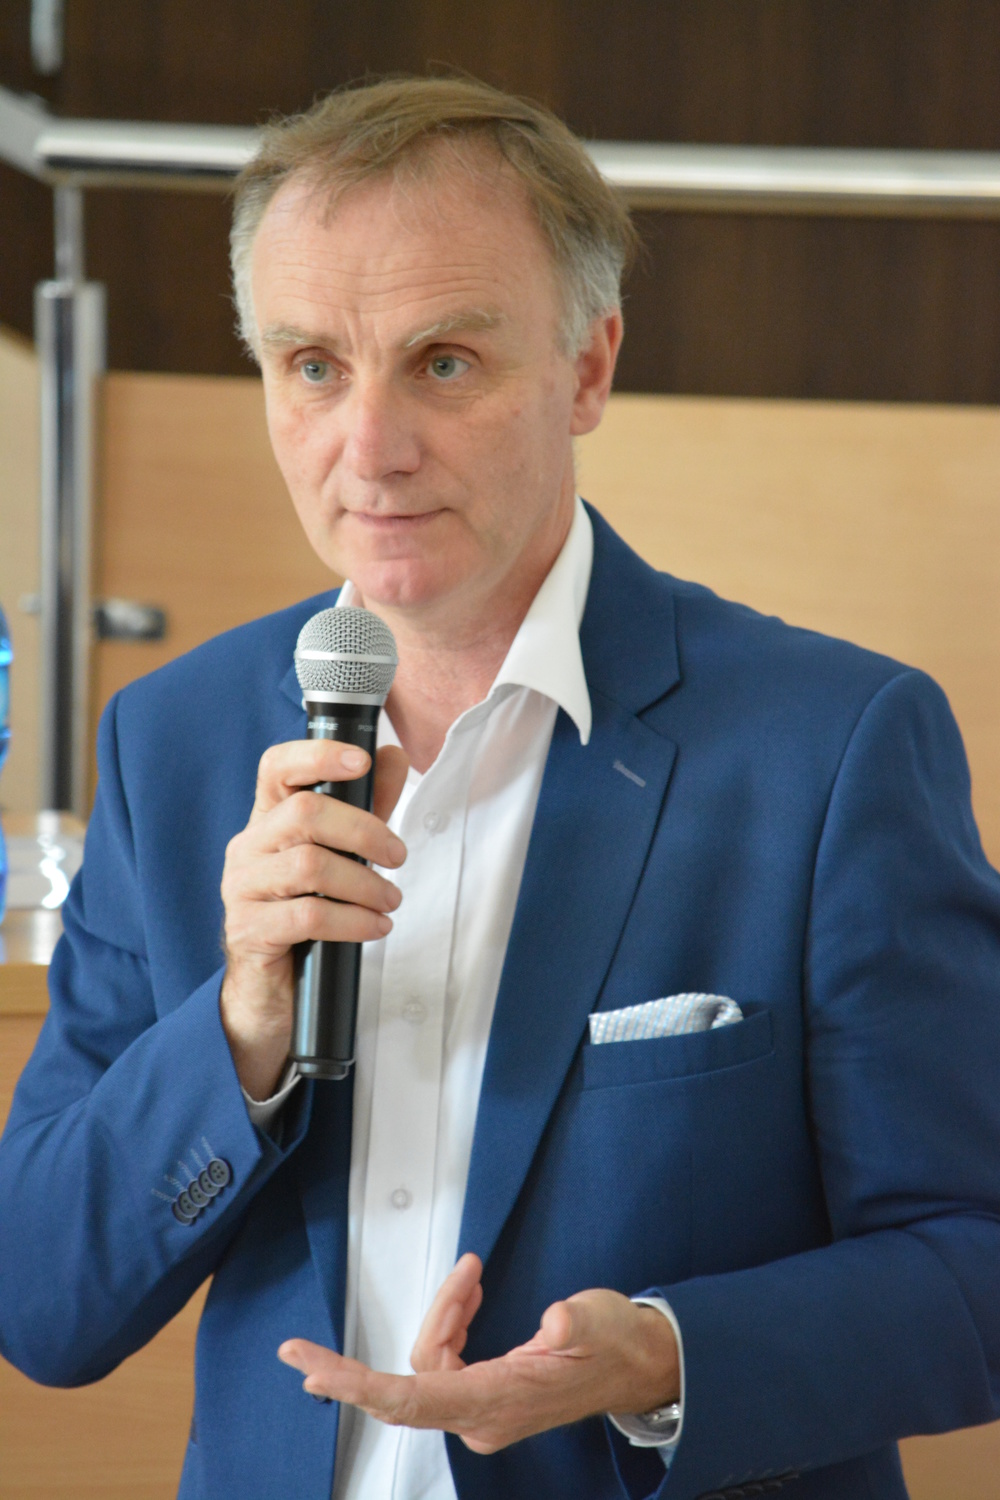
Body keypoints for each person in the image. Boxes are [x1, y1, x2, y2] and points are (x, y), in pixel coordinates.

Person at [2, 75, 999, 1500]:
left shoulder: (836, 748)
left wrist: (666, 1356)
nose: (370, 449)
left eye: (445, 362)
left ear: (588, 369)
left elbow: (973, 1264)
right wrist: (238, 1031)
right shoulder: (168, 744)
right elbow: (41, 1303)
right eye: (312, 366)